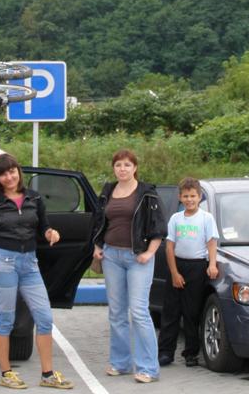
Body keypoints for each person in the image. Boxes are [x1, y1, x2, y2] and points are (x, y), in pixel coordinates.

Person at [0, 153, 73, 390]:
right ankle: (6, 374)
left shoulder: (34, 198)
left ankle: (47, 375)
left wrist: (51, 233)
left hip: (30, 263)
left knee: (45, 318)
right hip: (4, 261)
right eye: (3, 174)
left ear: (18, 171)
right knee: (6, 319)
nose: (9, 177)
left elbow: (44, 227)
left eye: (12, 171)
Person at [92, 149, 167, 384]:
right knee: (116, 312)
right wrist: (97, 245)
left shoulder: (147, 193)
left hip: (138, 258)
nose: (122, 169)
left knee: (139, 311)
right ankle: (120, 363)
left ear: (135, 168)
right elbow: (99, 221)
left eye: (127, 165)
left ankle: (148, 368)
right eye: (118, 165)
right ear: (113, 168)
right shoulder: (108, 191)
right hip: (112, 256)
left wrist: (149, 253)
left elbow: (158, 227)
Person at [157, 177, 219, 367]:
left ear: (199, 197)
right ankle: (165, 352)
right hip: (177, 265)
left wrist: (212, 264)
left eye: (193, 196)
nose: (189, 200)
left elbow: (211, 243)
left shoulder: (206, 218)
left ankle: (191, 353)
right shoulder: (176, 219)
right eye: (185, 196)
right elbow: (169, 247)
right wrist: (174, 273)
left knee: (192, 312)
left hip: (197, 267)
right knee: (171, 312)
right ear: (180, 197)